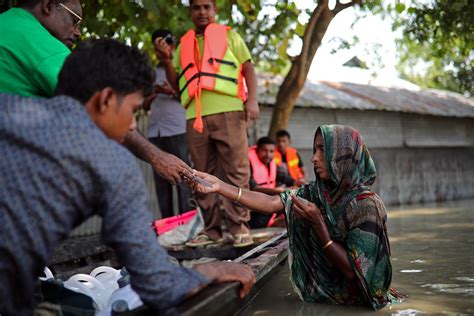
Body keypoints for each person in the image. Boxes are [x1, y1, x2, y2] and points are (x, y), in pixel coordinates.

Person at [0, 39, 255, 316]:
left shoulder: (8, 108)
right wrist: (213, 269)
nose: (133, 125)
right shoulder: (112, 163)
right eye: (133, 110)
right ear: (106, 99)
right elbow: (159, 286)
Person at [187, 125, 401, 310]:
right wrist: (220, 186)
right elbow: (271, 204)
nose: (313, 158)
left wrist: (318, 224)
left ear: (343, 155)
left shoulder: (366, 205)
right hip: (327, 299)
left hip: (363, 303)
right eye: (315, 149)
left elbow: (354, 272)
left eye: (322, 150)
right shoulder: (316, 193)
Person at [0, 0, 191, 189]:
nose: (78, 32)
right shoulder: (37, 41)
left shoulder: (6, 24)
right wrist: (156, 156)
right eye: (74, 20)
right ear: (49, 6)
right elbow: (99, 107)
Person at [155, 0, 260, 248]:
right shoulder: (184, 43)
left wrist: (252, 100)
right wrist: (167, 60)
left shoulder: (230, 35)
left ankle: (239, 227)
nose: (201, 12)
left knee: (236, 171)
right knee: (199, 174)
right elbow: (177, 81)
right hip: (194, 116)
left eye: (206, 7)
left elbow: (248, 69)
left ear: (215, 10)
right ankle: (211, 230)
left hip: (230, 112)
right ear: (190, 12)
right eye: (196, 7)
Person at [143, 29, 193, 218]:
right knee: (161, 181)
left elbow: (187, 97)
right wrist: (154, 92)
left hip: (178, 129)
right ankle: (168, 225)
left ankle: (187, 222)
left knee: (183, 178)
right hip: (156, 132)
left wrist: (171, 92)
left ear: (173, 44)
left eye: (167, 42)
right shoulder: (151, 72)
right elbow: (144, 104)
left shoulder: (182, 67)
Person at [248, 136, 294, 228]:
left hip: (269, 203)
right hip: (254, 209)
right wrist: (278, 191)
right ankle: (274, 222)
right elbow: (253, 188)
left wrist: (298, 182)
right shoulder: (248, 164)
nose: (268, 154)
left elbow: (283, 177)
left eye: (271, 151)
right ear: (257, 150)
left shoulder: (271, 163)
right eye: (264, 150)